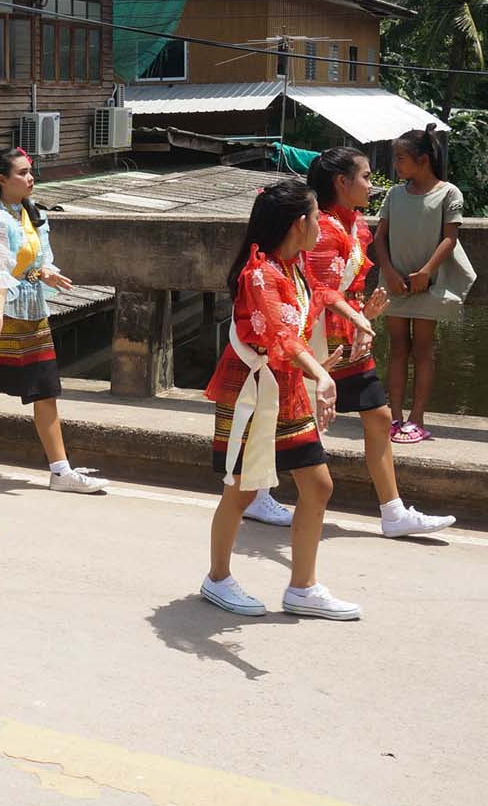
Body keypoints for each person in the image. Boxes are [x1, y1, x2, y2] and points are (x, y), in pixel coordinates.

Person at [245, 149, 456, 537]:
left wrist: (362, 318)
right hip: (320, 342)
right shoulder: (321, 229)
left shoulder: (354, 225)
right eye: (366, 176)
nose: (371, 185)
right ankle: (257, 494)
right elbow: (315, 291)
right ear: (342, 182)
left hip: (348, 340)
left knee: (378, 417)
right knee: (290, 417)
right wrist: (357, 320)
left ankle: (393, 511)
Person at [201, 180, 372, 620]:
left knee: (317, 484)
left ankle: (303, 587)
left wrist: (357, 317)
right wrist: (321, 374)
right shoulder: (259, 273)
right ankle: (217, 578)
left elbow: (321, 294)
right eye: (316, 217)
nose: (321, 224)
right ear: (300, 223)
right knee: (242, 489)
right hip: (254, 392)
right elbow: (279, 335)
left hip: (286, 388)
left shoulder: (293, 266)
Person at [0, 148, 109, 494]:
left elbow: (36, 260)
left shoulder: (31, 214)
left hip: (33, 313)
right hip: (5, 314)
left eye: (30, 172)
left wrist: (44, 272)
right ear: (2, 180)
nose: (30, 178)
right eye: (21, 173)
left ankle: (60, 470)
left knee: (45, 390)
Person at [373, 125, 476, 444]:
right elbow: (379, 236)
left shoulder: (449, 193)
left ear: (422, 160)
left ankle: (417, 418)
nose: (396, 165)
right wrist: (389, 271)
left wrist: (426, 272)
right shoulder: (394, 194)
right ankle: (395, 416)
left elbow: (449, 239)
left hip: (429, 285)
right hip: (395, 283)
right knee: (397, 348)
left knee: (423, 349)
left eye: (400, 158)